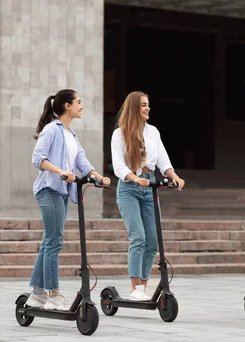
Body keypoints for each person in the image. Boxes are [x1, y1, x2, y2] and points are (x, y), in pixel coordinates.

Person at [26, 89, 111, 311]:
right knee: (55, 241)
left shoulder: (70, 134)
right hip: (49, 189)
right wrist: (61, 171)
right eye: (79, 102)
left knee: (49, 240)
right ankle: (53, 295)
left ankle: (36, 294)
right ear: (67, 106)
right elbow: (38, 159)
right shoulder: (51, 130)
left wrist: (98, 176)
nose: (82, 106)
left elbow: (82, 161)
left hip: (62, 192)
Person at [111, 91, 185, 301]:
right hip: (128, 188)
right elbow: (118, 166)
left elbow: (163, 160)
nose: (148, 108)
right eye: (144, 105)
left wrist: (175, 177)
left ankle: (142, 287)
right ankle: (135, 288)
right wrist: (135, 178)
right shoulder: (120, 134)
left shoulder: (153, 132)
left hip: (149, 187)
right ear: (135, 108)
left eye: (148, 104)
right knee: (138, 237)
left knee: (153, 240)